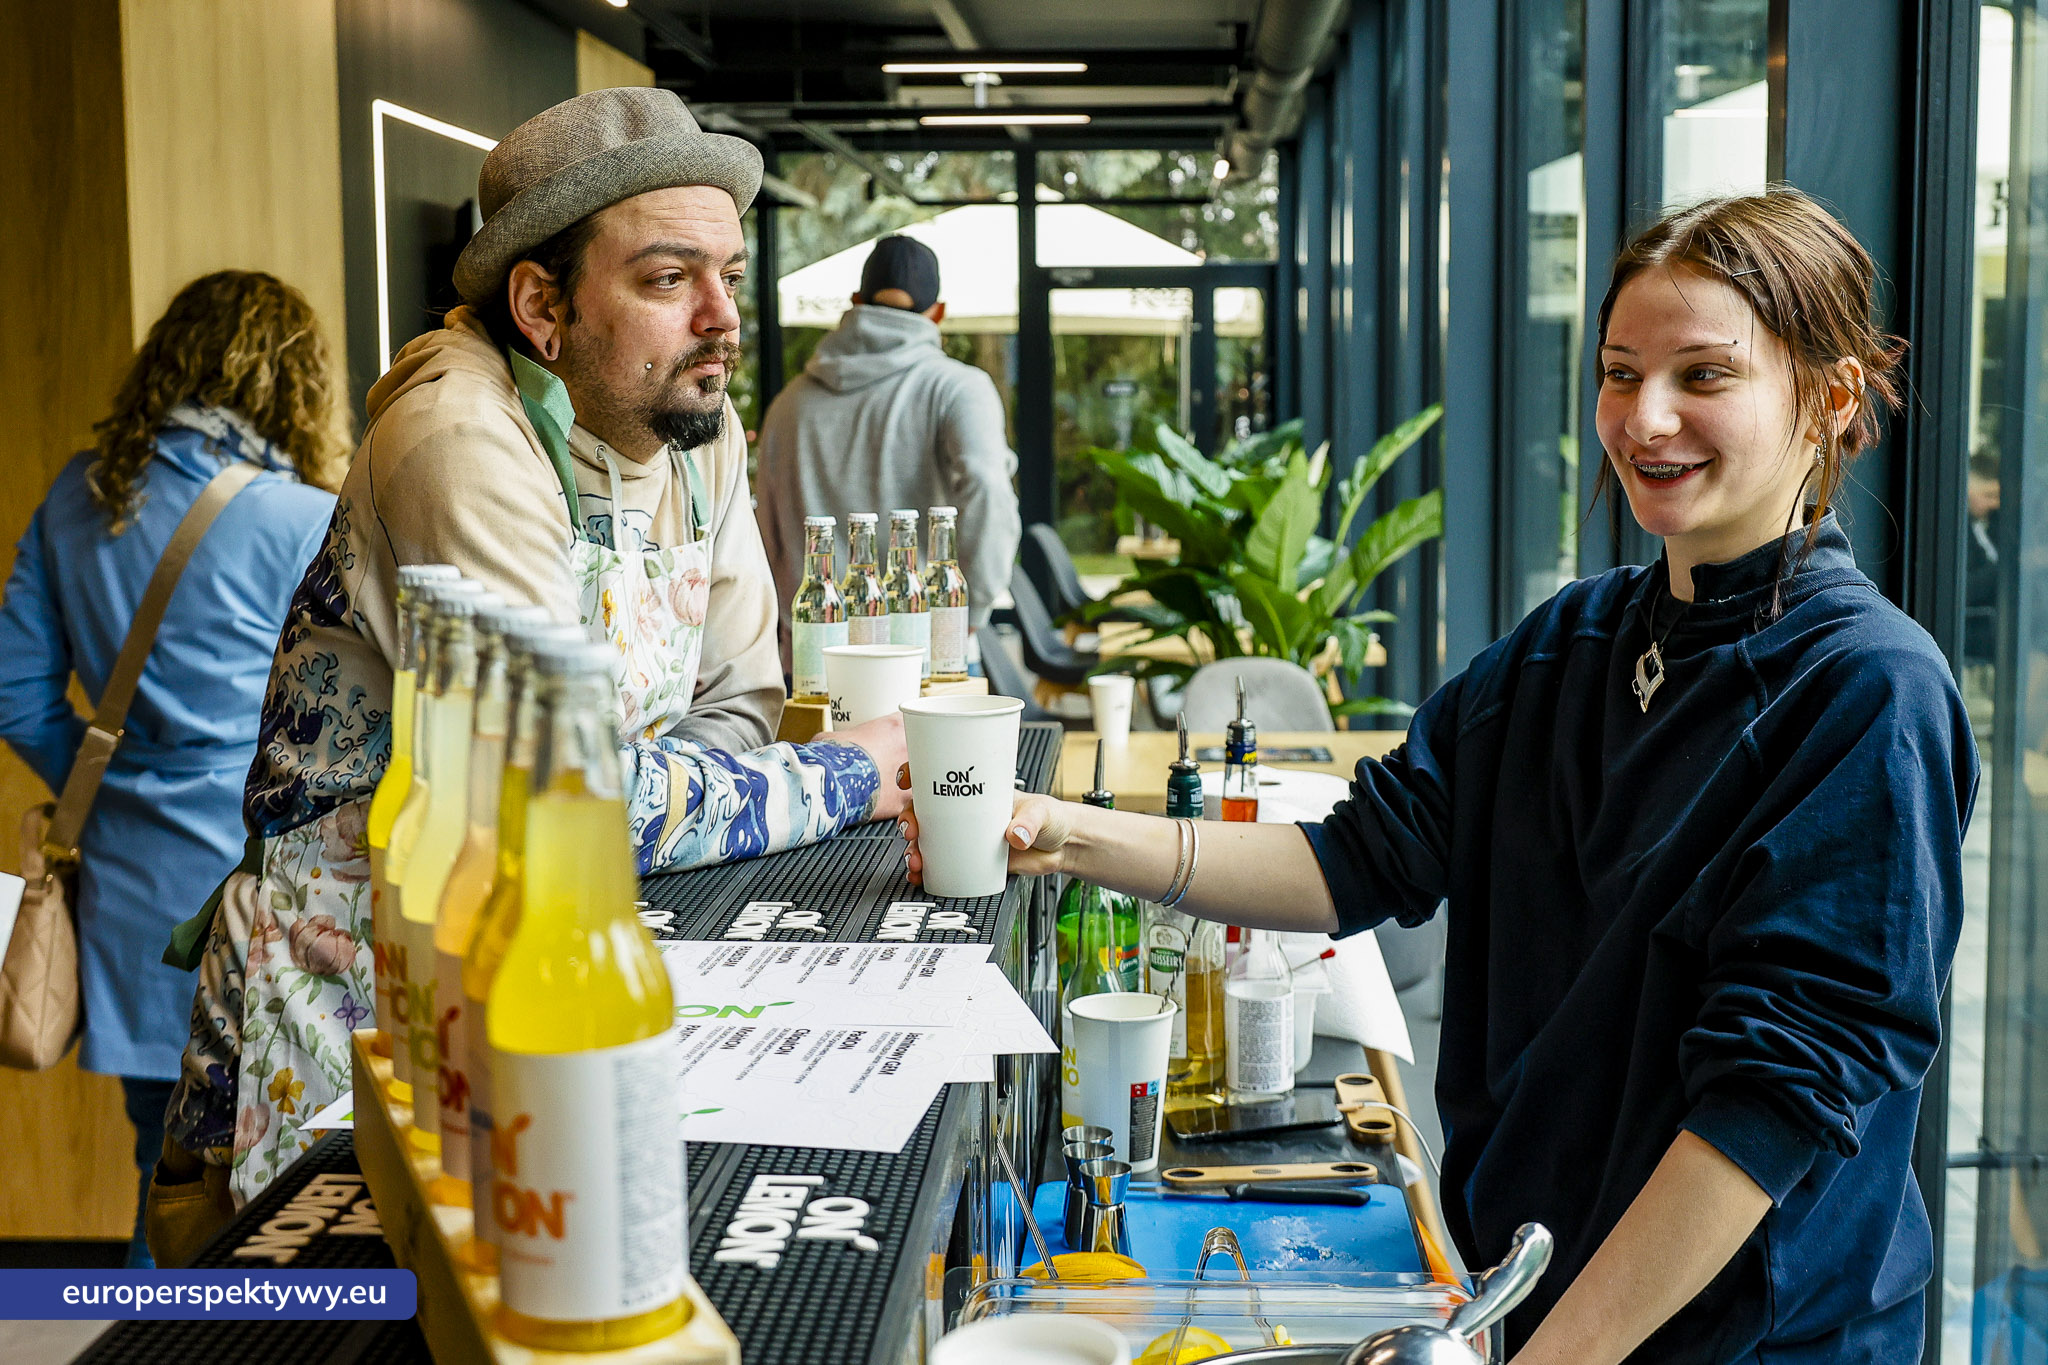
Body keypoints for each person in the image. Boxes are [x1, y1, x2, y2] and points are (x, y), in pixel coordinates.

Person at [902, 189, 1976, 1363]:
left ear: (1826, 398)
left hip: (1730, 1339)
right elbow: (1358, 859)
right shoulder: (1573, 642)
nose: (1644, 418)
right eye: (1619, 373)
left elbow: (1771, 1106)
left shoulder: (1867, 690)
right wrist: (1059, 831)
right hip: (1522, 1288)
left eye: (1703, 377)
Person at [156, 88, 910, 1215]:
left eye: (729, 277)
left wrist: (639, 802)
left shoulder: (695, 422)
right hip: (344, 1017)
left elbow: (741, 704)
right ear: (541, 306)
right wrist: (845, 771)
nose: (722, 319)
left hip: (535, 990)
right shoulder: (456, 433)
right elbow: (566, 800)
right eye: (668, 280)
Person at [0, 271, 348, 1266]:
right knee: (276, 1179)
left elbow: (16, 689)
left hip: (129, 885)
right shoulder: (298, 517)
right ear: (291, 383)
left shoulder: (79, 495)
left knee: (166, 1166)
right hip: (261, 881)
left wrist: (109, 780)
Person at [755, 233, 1020, 667]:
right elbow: (988, 489)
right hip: (925, 647)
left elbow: (764, 533)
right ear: (938, 314)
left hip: (813, 655)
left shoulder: (789, 404)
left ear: (856, 300)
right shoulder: (956, 389)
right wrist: (972, 608)